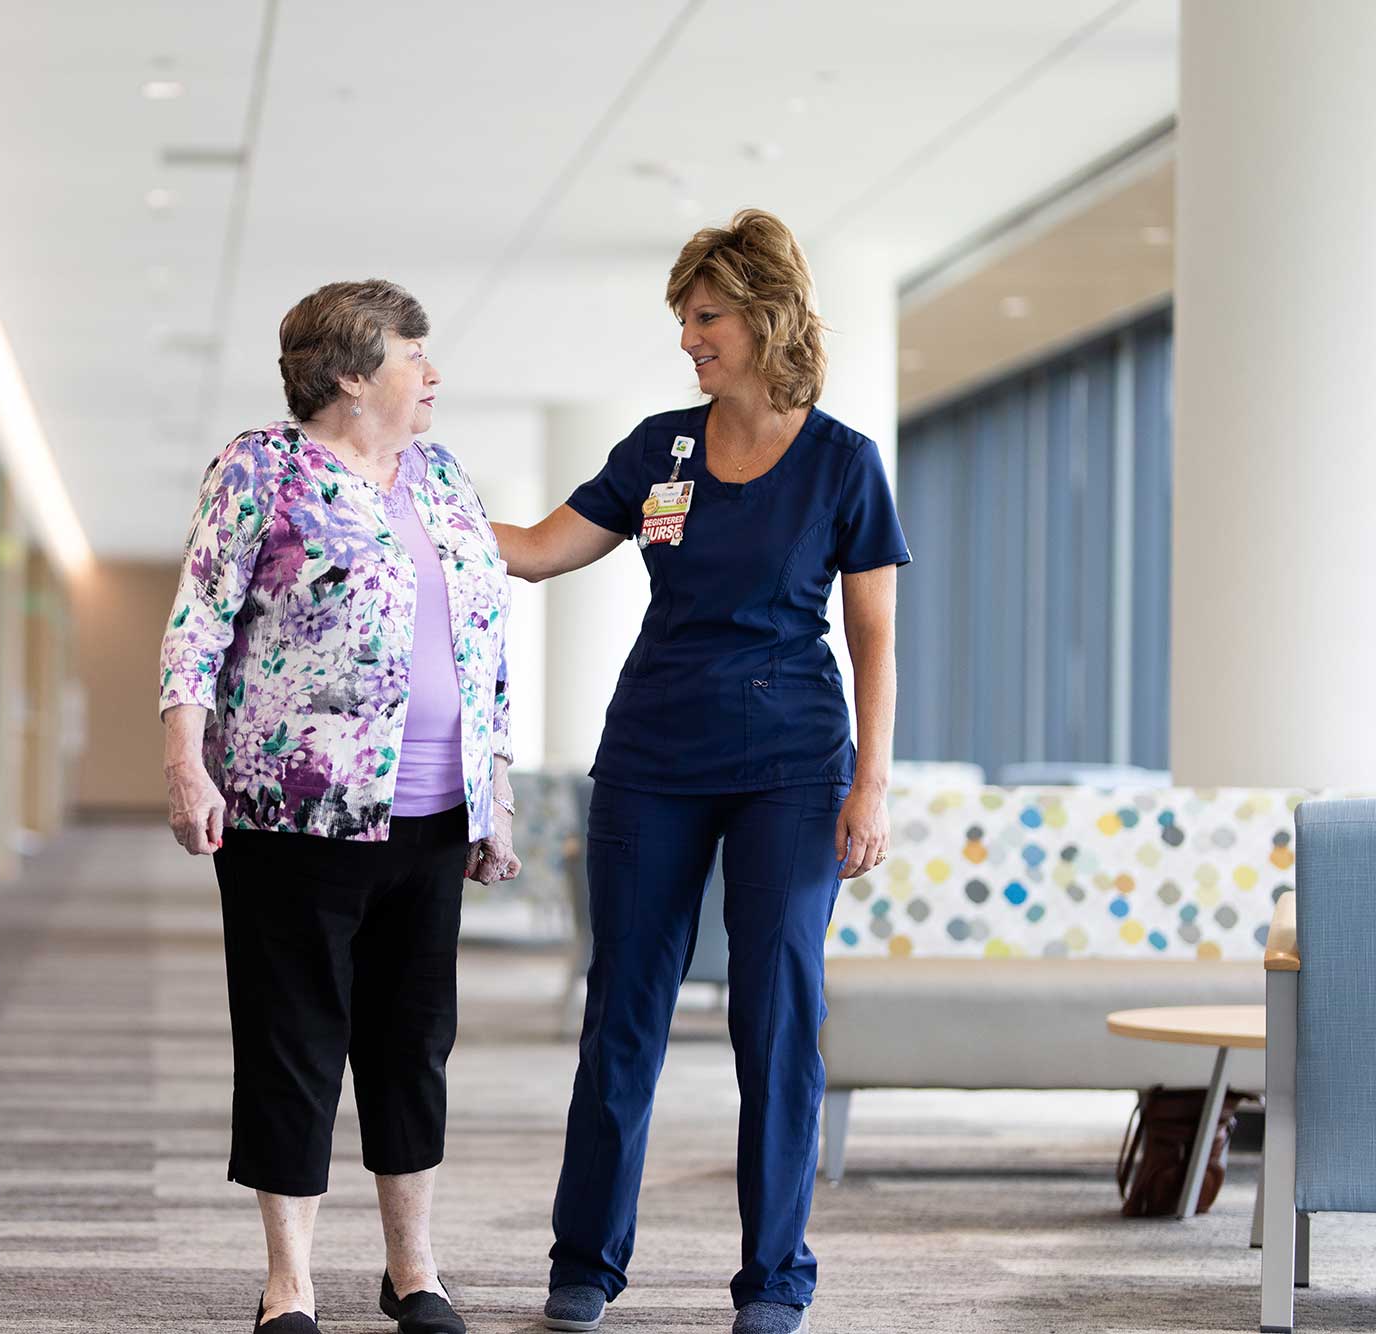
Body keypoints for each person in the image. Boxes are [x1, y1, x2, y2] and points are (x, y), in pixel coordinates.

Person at [493, 211, 910, 1334]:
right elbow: (536, 549)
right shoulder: (657, 449)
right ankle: (584, 1258)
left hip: (788, 763)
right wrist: (413, 510)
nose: (688, 337)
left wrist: (869, 784)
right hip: (649, 758)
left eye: (706, 315)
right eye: (683, 317)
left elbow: (873, 634)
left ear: (763, 315)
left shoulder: (841, 462)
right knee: (621, 1003)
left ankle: (774, 1275)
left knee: (775, 1013)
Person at [158, 279, 520, 1334]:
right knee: (293, 1037)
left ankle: (413, 1270)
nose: (433, 372)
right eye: (416, 353)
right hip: (291, 812)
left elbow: (483, 644)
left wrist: (490, 789)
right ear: (353, 373)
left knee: (413, 1040)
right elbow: (198, 618)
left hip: (429, 813)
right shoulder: (260, 467)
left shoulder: (442, 477)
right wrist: (187, 756)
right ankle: (290, 1282)